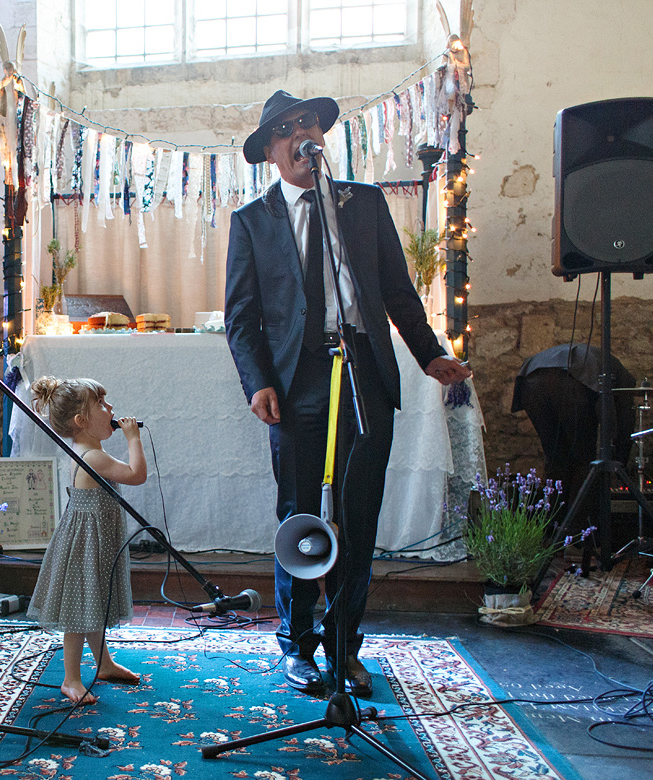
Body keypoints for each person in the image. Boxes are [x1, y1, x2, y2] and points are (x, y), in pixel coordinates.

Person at [224, 90, 471, 697]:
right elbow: (241, 317)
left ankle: (345, 647)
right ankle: (299, 645)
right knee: (302, 518)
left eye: (305, 123)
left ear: (321, 135)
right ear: (270, 153)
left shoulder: (363, 203)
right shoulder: (252, 221)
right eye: (283, 130)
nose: (298, 135)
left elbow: (397, 290)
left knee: (359, 519)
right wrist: (257, 382)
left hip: (365, 371)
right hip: (295, 381)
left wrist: (430, 352)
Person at [26, 377, 146, 705]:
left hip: (96, 538)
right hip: (86, 543)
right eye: (102, 405)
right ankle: (71, 679)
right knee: (80, 610)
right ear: (82, 421)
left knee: (96, 602)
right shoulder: (92, 457)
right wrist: (134, 438)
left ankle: (104, 664)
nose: (111, 409)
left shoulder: (91, 448)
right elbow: (136, 475)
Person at [511, 344, 637, 527]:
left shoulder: (610, 367)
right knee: (583, 460)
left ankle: (551, 530)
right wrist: (620, 465)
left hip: (531, 376)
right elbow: (625, 427)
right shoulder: (625, 381)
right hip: (572, 378)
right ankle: (575, 534)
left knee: (555, 459)